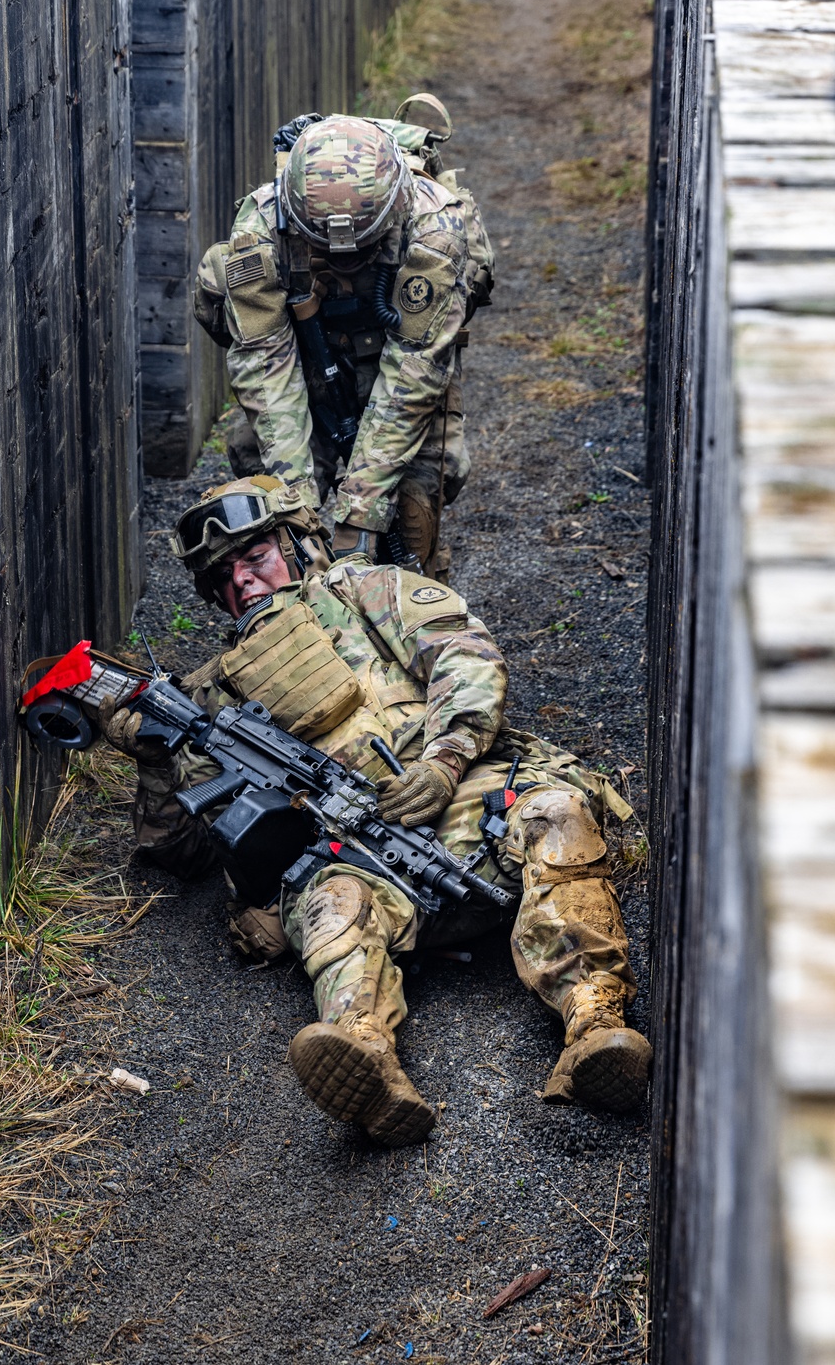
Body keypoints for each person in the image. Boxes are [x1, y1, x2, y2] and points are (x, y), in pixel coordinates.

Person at [100, 478, 652, 1147]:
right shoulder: (210, 696)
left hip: (466, 806)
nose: (241, 581)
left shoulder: (363, 592)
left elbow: (466, 653)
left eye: (255, 558)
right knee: (329, 902)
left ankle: (594, 1025)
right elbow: (182, 850)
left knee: (558, 813)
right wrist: (152, 751)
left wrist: (444, 758)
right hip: (360, 865)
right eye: (222, 576)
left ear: (298, 544)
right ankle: (367, 1059)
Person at [192, 98, 494, 579]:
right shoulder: (262, 228)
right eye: (326, 249)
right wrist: (299, 513)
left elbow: (415, 371)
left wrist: (360, 511)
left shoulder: (436, 228)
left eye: (362, 248)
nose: (344, 258)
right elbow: (266, 372)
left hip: (400, 363)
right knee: (267, 495)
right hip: (303, 358)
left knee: (416, 506)